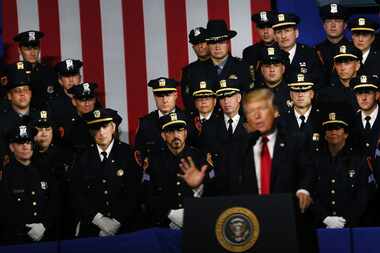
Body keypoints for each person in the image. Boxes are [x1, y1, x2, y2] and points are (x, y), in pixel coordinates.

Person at [70, 108, 142, 237]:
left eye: (104, 126)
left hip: (125, 227)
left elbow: (134, 191)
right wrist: (98, 220)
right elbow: (76, 193)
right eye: (96, 128)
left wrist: (116, 221)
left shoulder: (128, 153)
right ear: (91, 131)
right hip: (92, 228)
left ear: (113, 127)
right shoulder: (82, 157)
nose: (101, 132)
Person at [145, 111, 211, 229]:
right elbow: (147, 194)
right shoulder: (154, 161)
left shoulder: (199, 157)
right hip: (164, 226)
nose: (176, 135)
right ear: (163, 135)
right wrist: (169, 214)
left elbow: (211, 192)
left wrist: (197, 188)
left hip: (196, 224)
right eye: (170, 131)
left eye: (179, 130)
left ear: (185, 133)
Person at [310, 109, 369, 228]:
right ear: (325, 135)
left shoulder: (358, 161)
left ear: (346, 134)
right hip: (322, 225)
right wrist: (325, 218)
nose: (333, 132)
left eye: (337, 128)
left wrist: (345, 220)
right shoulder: (315, 161)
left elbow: (362, 196)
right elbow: (310, 193)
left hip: (350, 226)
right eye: (330, 129)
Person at [0, 123, 58, 244]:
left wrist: (44, 225)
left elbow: (55, 201)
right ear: (11, 147)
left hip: (46, 237)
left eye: (28, 142)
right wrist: (27, 229)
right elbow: (5, 210)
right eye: (20, 143)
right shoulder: (5, 175)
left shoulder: (45, 170)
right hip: (17, 240)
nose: (25, 147)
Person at [181, 20, 254, 100]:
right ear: (208, 44)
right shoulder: (194, 71)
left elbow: (249, 98)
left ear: (228, 43)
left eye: (221, 42)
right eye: (213, 42)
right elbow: (190, 101)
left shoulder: (242, 66)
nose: (217, 47)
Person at [200, 79, 248, 169]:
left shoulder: (251, 124)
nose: (226, 101)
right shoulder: (208, 127)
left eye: (230, 96)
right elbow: (205, 159)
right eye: (222, 97)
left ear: (239, 98)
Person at [272, 12, 324, 89]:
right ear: (275, 37)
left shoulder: (310, 53)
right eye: (279, 32)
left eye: (287, 30)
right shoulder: (269, 56)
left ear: (296, 33)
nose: (283, 36)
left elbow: (319, 82)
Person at [135, 77, 182, 162]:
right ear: (154, 96)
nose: (164, 100)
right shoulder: (145, 122)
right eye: (159, 96)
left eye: (168, 95)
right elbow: (139, 153)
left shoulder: (187, 119)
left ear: (175, 95)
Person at [13, 30, 59, 108]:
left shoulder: (50, 72)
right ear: (19, 50)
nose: (32, 53)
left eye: (35, 48)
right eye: (27, 49)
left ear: (39, 49)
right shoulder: (13, 73)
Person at [317, 43, 362, 114]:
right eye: (339, 63)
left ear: (357, 65)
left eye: (347, 62)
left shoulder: (366, 92)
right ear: (334, 65)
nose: (342, 68)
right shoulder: (325, 94)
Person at [279, 72, 322, 144]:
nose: (300, 95)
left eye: (304, 91)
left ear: (312, 94)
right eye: (296, 91)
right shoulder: (281, 121)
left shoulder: (321, 119)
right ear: (291, 95)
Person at [60, 82, 99, 152]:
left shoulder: (102, 121)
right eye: (82, 100)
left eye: (90, 99)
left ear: (95, 100)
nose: (87, 104)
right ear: (74, 101)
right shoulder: (66, 123)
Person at [316, 3, 350, 80]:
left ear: (345, 25)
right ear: (324, 25)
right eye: (329, 21)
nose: (333, 25)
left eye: (337, 21)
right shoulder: (315, 50)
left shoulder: (353, 49)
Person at [181, 27, 210, 111]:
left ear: (208, 43)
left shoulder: (220, 65)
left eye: (202, 42)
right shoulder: (188, 71)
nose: (200, 46)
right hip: (197, 117)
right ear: (193, 47)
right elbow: (187, 100)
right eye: (196, 43)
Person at [256, 45, 290, 114]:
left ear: (283, 69)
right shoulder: (254, 93)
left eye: (276, 66)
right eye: (267, 66)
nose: (272, 70)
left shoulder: (292, 93)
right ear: (262, 70)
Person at [243, 10, 276, 80]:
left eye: (269, 26)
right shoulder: (249, 52)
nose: (266, 32)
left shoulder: (283, 49)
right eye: (262, 27)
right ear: (257, 29)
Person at [49, 59, 83, 126]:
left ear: (80, 78)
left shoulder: (90, 99)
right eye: (67, 76)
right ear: (60, 80)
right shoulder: (53, 105)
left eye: (74, 75)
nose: (71, 80)